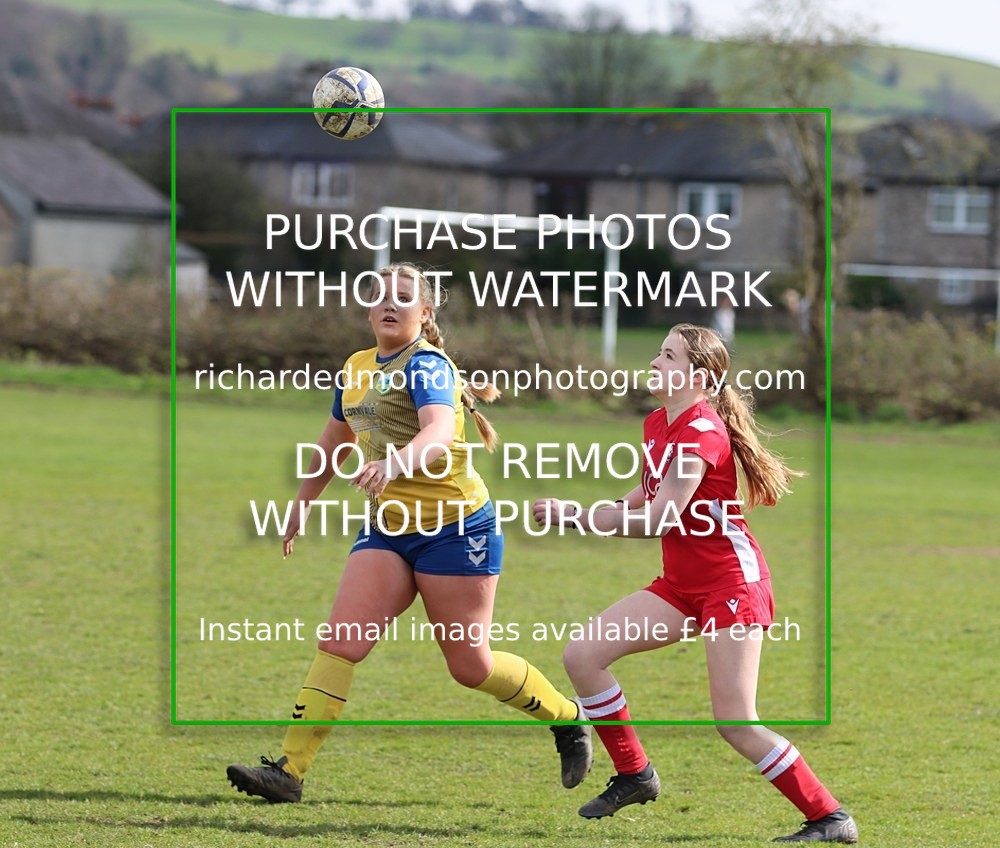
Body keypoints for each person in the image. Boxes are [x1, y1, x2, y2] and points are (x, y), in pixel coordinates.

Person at [227, 263, 592, 803]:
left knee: (471, 667)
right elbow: (334, 441)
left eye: (405, 298)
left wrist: (395, 464)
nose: (390, 305)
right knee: (341, 641)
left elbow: (440, 432)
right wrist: (301, 503)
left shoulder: (427, 367)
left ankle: (566, 717)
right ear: (369, 310)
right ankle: (289, 772)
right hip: (389, 530)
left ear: (426, 314)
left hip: (456, 530)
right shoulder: (355, 366)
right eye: (381, 298)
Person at [531, 323, 858, 843]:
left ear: (699, 376)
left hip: (732, 586)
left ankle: (830, 817)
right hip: (682, 586)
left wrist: (577, 516)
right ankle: (635, 774)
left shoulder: (704, 431)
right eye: (659, 351)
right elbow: (645, 493)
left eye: (668, 355)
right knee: (582, 656)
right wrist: (596, 509)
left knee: (735, 721)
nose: (655, 361)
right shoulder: (658, 422)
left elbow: (661, 518)